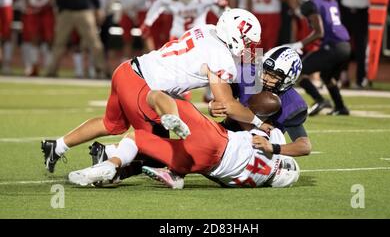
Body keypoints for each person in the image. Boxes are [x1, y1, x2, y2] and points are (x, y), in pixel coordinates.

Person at [42, 8, 271, 173]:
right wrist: (259, 123)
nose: (250, 48)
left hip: (127, 70)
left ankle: (58, 145)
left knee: (112, 124)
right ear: (235, 35)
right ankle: (108, 157)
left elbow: (219, 100)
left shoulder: (208, 30)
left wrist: (217, 103)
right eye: (248, 41)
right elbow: (229, 105)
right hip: (145, 87)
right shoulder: (222, 58)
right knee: (157, 151)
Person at [83, 46, 309, 188]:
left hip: (244, 148)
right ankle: (118, 165)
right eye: (266, 71)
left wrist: (274, 148)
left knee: (170, 127)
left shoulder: (294, 105)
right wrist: (216, 105)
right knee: (175, 152)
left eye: (275, 75)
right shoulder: (249, 75)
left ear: (290, 78)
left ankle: (115, 155)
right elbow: (224, 99)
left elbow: (303, 145)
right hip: (228, 138)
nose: (267, 79)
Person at [68, 87, 300, 189]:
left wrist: (215, 94)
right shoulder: (253, 183)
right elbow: (217, 178)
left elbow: (245, 114)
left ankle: (113, 159)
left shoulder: (276, 139)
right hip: (202, 163)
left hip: (217, 139)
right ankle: (112, 164)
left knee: (159, 95)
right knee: (137, 138)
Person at [286, 0, 350, 116]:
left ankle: (319, 100)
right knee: (328, 77)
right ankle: (340, 107)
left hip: (333, 46)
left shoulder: (311, 4)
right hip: (345, 46)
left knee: (298, 72)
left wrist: (299, 44)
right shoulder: (330, 2)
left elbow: (319, 32)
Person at [336, 0, 371, 89]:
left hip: (363, 12)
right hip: (346, 12)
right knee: (344, 47)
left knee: (361, 48)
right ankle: (341, 76)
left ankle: (361, 78)